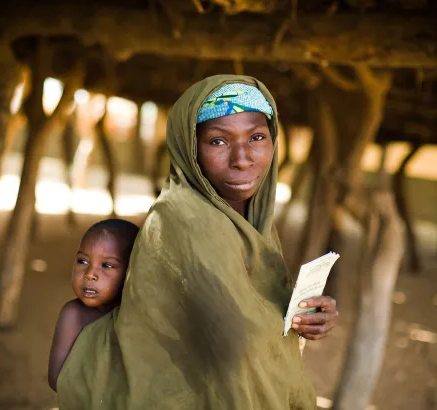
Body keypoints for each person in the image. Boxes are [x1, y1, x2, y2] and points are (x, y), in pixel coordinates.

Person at [57, 75, 338, 410]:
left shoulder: (252, 223)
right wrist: (278, 323)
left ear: (274, 141)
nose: (242, 159)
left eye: (257, 137)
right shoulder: (183, 219)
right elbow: (233, 340)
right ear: (188, 147)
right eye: (218, 142)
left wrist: (303, 316)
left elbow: (255, 313)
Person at [48, 218, 139, 392]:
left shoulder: (139, 315)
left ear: (130, 271)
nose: (89, 275)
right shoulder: (73, 314)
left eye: (107, 265)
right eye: (82, 261)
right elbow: (56, 378)